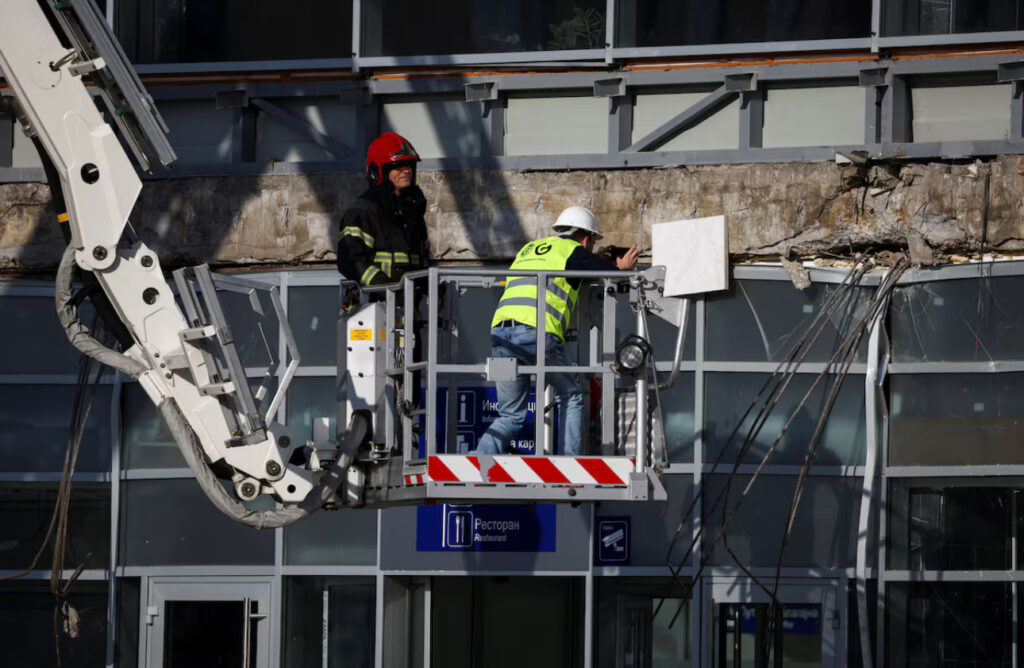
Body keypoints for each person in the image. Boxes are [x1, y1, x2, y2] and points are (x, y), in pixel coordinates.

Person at [474, 206, 639, 457]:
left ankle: (477, 460)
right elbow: (613, 277)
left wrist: (597, 259)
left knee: (510, 415)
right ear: (585, 238)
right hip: (536, 333)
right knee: (571, 395)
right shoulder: (573, 251)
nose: (592, 248)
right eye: (592, 243)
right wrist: (622, 270)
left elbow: (568, 269)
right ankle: (570, 461)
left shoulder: (529, 249)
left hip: (501, 333)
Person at [337, 132, 430, 288]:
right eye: (398, 167)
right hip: (374, 304)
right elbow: (351, 261)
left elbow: (422, 260)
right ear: (379, 172)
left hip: (409, 305)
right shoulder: (362, 213)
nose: (406, 171)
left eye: (409, 166)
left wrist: (432, 289)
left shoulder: (413, 212)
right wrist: (386, 288)